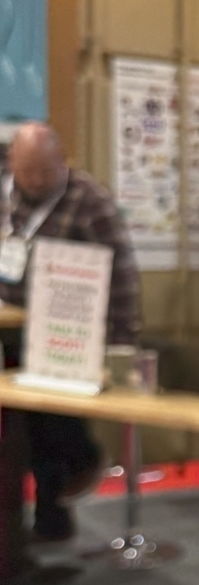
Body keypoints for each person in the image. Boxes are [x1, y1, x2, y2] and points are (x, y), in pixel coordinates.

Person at [0, 122, 141, 541]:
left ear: (62, 162)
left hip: (66, 332)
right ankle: (20, 526)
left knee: (53, 426)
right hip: (11, 327)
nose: (35, 181)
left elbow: (122, 272)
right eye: (27, 172)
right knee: (18, 430)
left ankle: (58, 509)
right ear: (12, 164)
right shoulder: (5, 195)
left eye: (45, 171)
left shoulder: (89, 201)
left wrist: (123, 341)